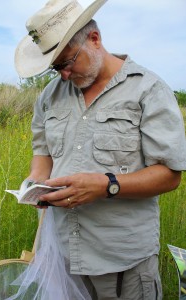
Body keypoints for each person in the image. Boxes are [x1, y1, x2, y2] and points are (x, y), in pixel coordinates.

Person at [15, 0, 186, 299]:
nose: (64, 75)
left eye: (68, 62)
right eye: (55, 68)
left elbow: (169, 175)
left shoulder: (149, 90)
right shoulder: (49, 96)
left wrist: (107, 185)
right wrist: (34, 185)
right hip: (62, 256)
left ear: (94, 39)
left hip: (123, 262)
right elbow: (42, 155)